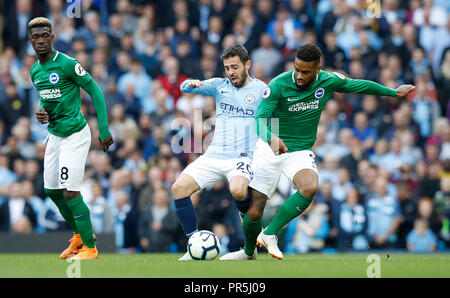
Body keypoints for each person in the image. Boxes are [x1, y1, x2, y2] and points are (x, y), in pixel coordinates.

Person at [221, 43, 414, 260]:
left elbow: (357, 85)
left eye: (305, 71)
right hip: (270, 149)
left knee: (310, 187)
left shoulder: (328, 81)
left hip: (300, 151)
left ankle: (270, 233)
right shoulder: (277, 85)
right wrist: (270, 137)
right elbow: (259, 119)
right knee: (255, 211)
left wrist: (392, 92)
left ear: (317, 69)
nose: (300, 75)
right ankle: (248, 252)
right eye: (297, 69)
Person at [171, 44, 267, 260]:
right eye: (227, 68)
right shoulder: (218, 85)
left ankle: (249, 237)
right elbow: (185, 87)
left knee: (239, 190)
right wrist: (192, 83)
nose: (231, 72)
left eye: (235, 66)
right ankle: (193, 243)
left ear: (247, 64)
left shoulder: (261, 90)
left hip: (242, 157)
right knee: (178, 188)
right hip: (214, 155)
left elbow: (274, 115)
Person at [29, 17, 114, 260]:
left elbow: (95, 90)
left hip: (75, 135)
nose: (41, 40)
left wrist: (104, 128)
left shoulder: (67, 64)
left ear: (52, 37)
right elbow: (50, 100)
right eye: (36, 37)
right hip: (54, 135)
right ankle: (78, 235)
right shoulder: (35, 71)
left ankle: (90, 248)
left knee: (70, 192)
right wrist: (43, 113)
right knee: (51, 190)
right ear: (30, 40)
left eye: (45, 35)